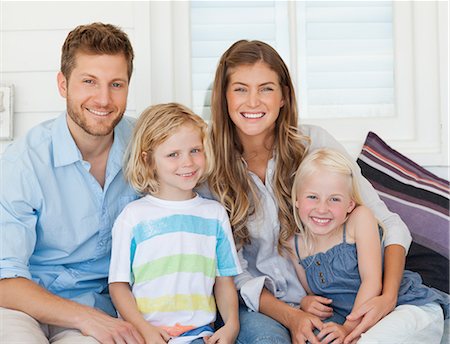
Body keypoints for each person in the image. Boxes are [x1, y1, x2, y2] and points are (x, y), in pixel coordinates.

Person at [206, 39, 414, 344]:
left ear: (283, 97)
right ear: (223, 97)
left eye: (266, 88)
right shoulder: (207, 166)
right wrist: (292, 316)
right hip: (263, 306)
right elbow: (230, 272)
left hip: (334, 299)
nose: (253, 102)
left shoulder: (315, 144)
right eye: (240, 89)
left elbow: (390, 224)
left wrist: (387, 296)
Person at [0, 23, 144, 343]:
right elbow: (4, 278)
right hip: (21, 305)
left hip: (102, 307)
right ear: (63, 84)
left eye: (116, 84)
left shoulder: (148, 146)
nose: (104, 99)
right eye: (89, 81)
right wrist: (85, 317)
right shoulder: (22, 162)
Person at [108, 103, 241, 344]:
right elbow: (118, 286)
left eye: (195, 150)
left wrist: (231, 324)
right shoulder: (133, 217)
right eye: (173, 154)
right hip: (144, 336)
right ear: (148, 160)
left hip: (199, 336)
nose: (188, 162)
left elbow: (224, 280)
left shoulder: (214, 215)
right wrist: (143, 329)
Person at [289, 148, 449, 343]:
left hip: (406, 308)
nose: (322, 208)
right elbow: (312, 293)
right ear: (296, 199)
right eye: (312, 197)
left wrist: (347, 328)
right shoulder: (294, 245)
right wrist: (306, 302)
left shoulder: (359, 219)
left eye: (334, 199)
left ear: (350, 204)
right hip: (363, 324)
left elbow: (372, 281)